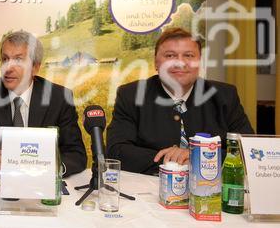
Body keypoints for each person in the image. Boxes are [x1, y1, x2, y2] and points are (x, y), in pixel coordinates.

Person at [106, 27, 254, 175]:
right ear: (156, 63)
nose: (180, 63)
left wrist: (199, 158)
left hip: (211, 190)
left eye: (189, 55)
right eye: (170, 55)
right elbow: (116, 150)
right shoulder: (131, 95)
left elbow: (248, 151)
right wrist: (170, 160)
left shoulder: (225, 96)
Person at [0, 30, 86, 177]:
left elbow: (76, 155)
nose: (8, 68)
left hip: (40, 189)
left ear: (35, 67)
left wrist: (46, 167)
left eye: (18, 60)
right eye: (5, 59)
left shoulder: (59, 98)